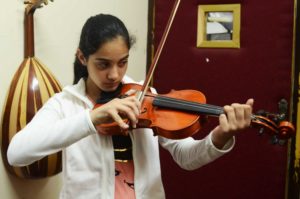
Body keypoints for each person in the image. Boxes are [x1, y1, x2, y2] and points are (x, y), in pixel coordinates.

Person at [7, 14, 254, 199]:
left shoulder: (146, 96)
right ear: (83, 58)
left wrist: (220, 136)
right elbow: (17, 153)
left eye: (122, 62)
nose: (114, 75)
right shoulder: (66, 104)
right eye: (103, 64)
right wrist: (91, 119)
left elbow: (185, 157)